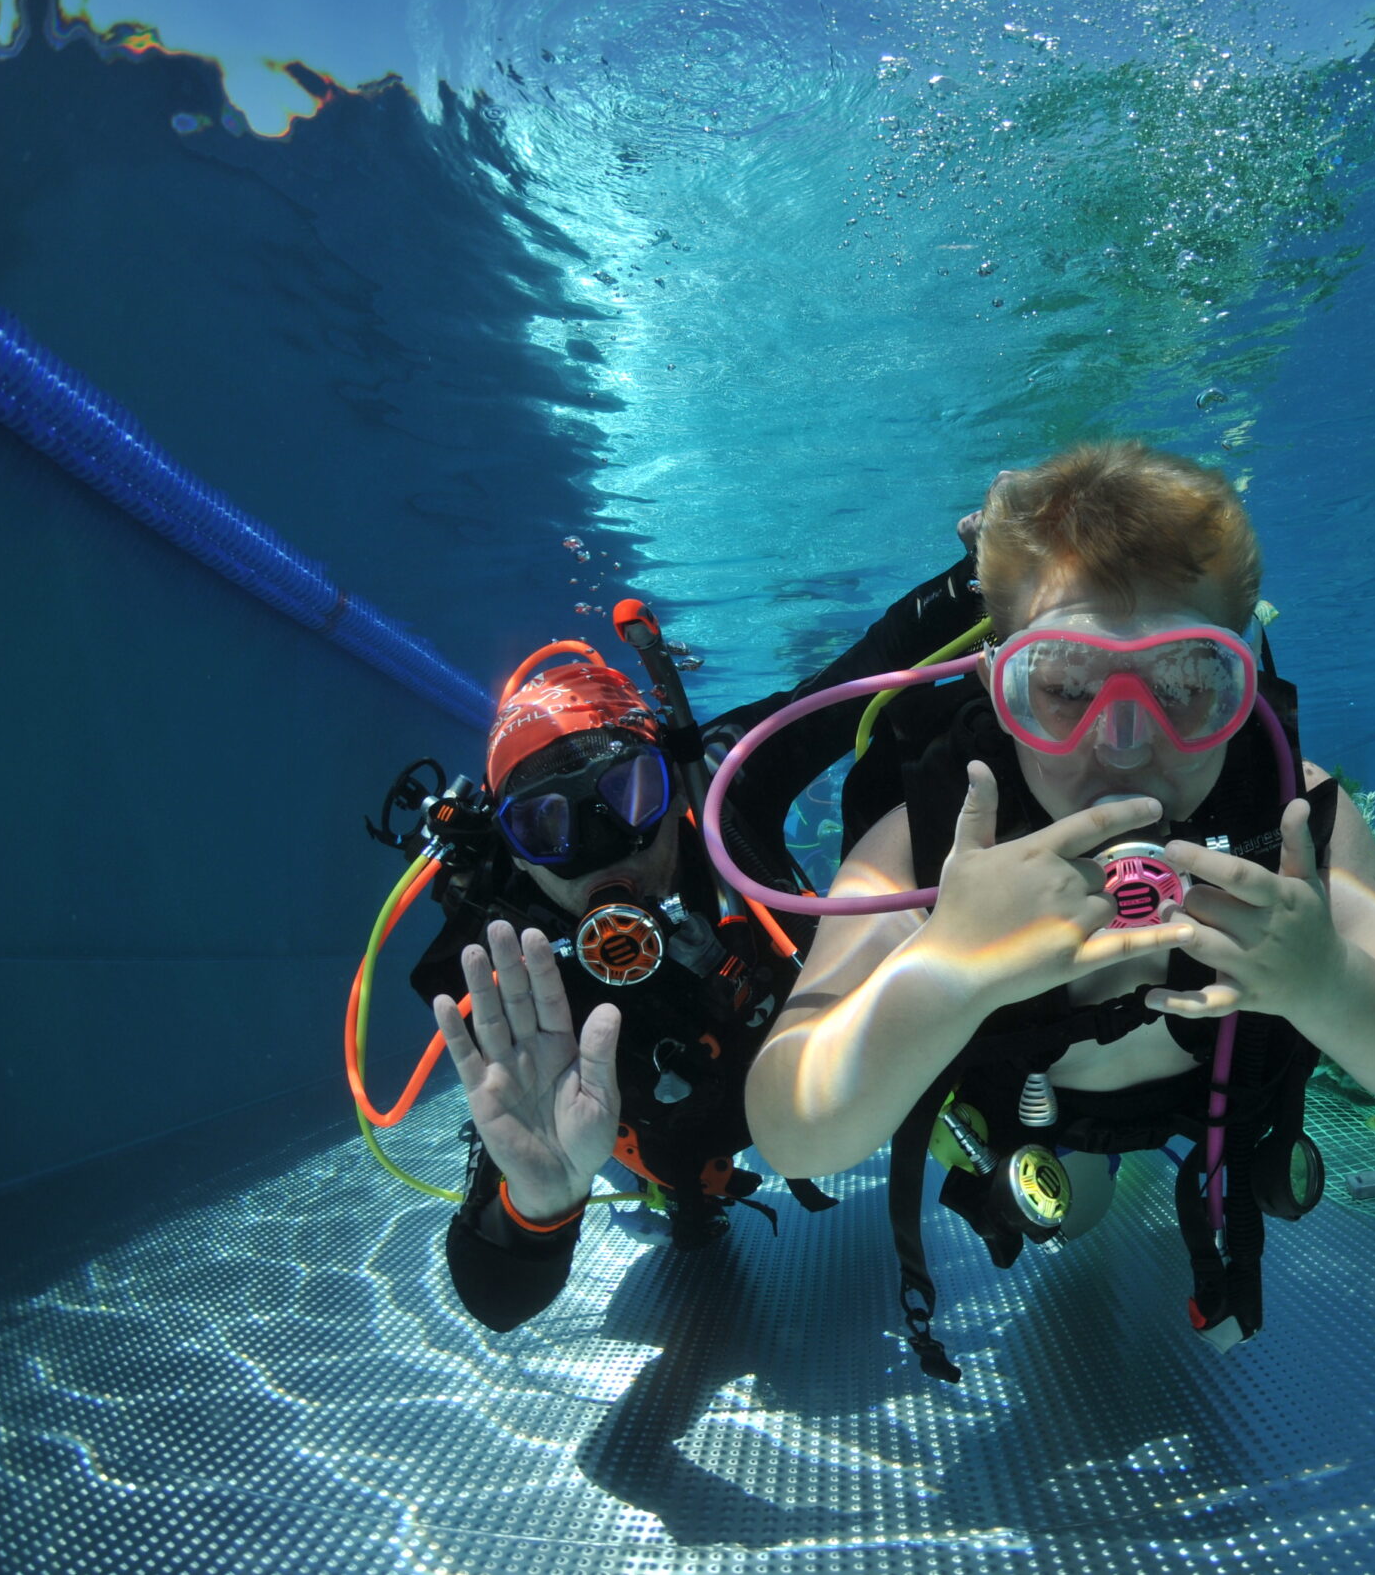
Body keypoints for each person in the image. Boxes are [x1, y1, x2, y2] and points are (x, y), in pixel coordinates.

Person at [744, 442, 1375, 1379]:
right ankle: (1086, 1179)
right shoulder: (927, 846)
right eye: (1063, 686)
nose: (1125, 744)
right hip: (1036, 1115)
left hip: (1220, 1105)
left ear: (1241, 682)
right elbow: (792, 1131)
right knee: (1077, 1217)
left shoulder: (1297, 817)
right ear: (996, 685)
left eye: (1183, 683)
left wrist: (1327, 981)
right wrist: (943, 972)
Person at [404, 551, 988, 1332]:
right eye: (547, 827)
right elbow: (497, 1303)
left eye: (628, 792)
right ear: (514, 855)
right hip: (668, 1143)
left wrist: (984, 571)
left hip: (813, 1062)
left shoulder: (716, 783)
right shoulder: (507, 965)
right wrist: (541, 1201)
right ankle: (680, 1201)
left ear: (671, 778)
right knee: (679, 1211)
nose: (603, 850)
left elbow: (869, 668)